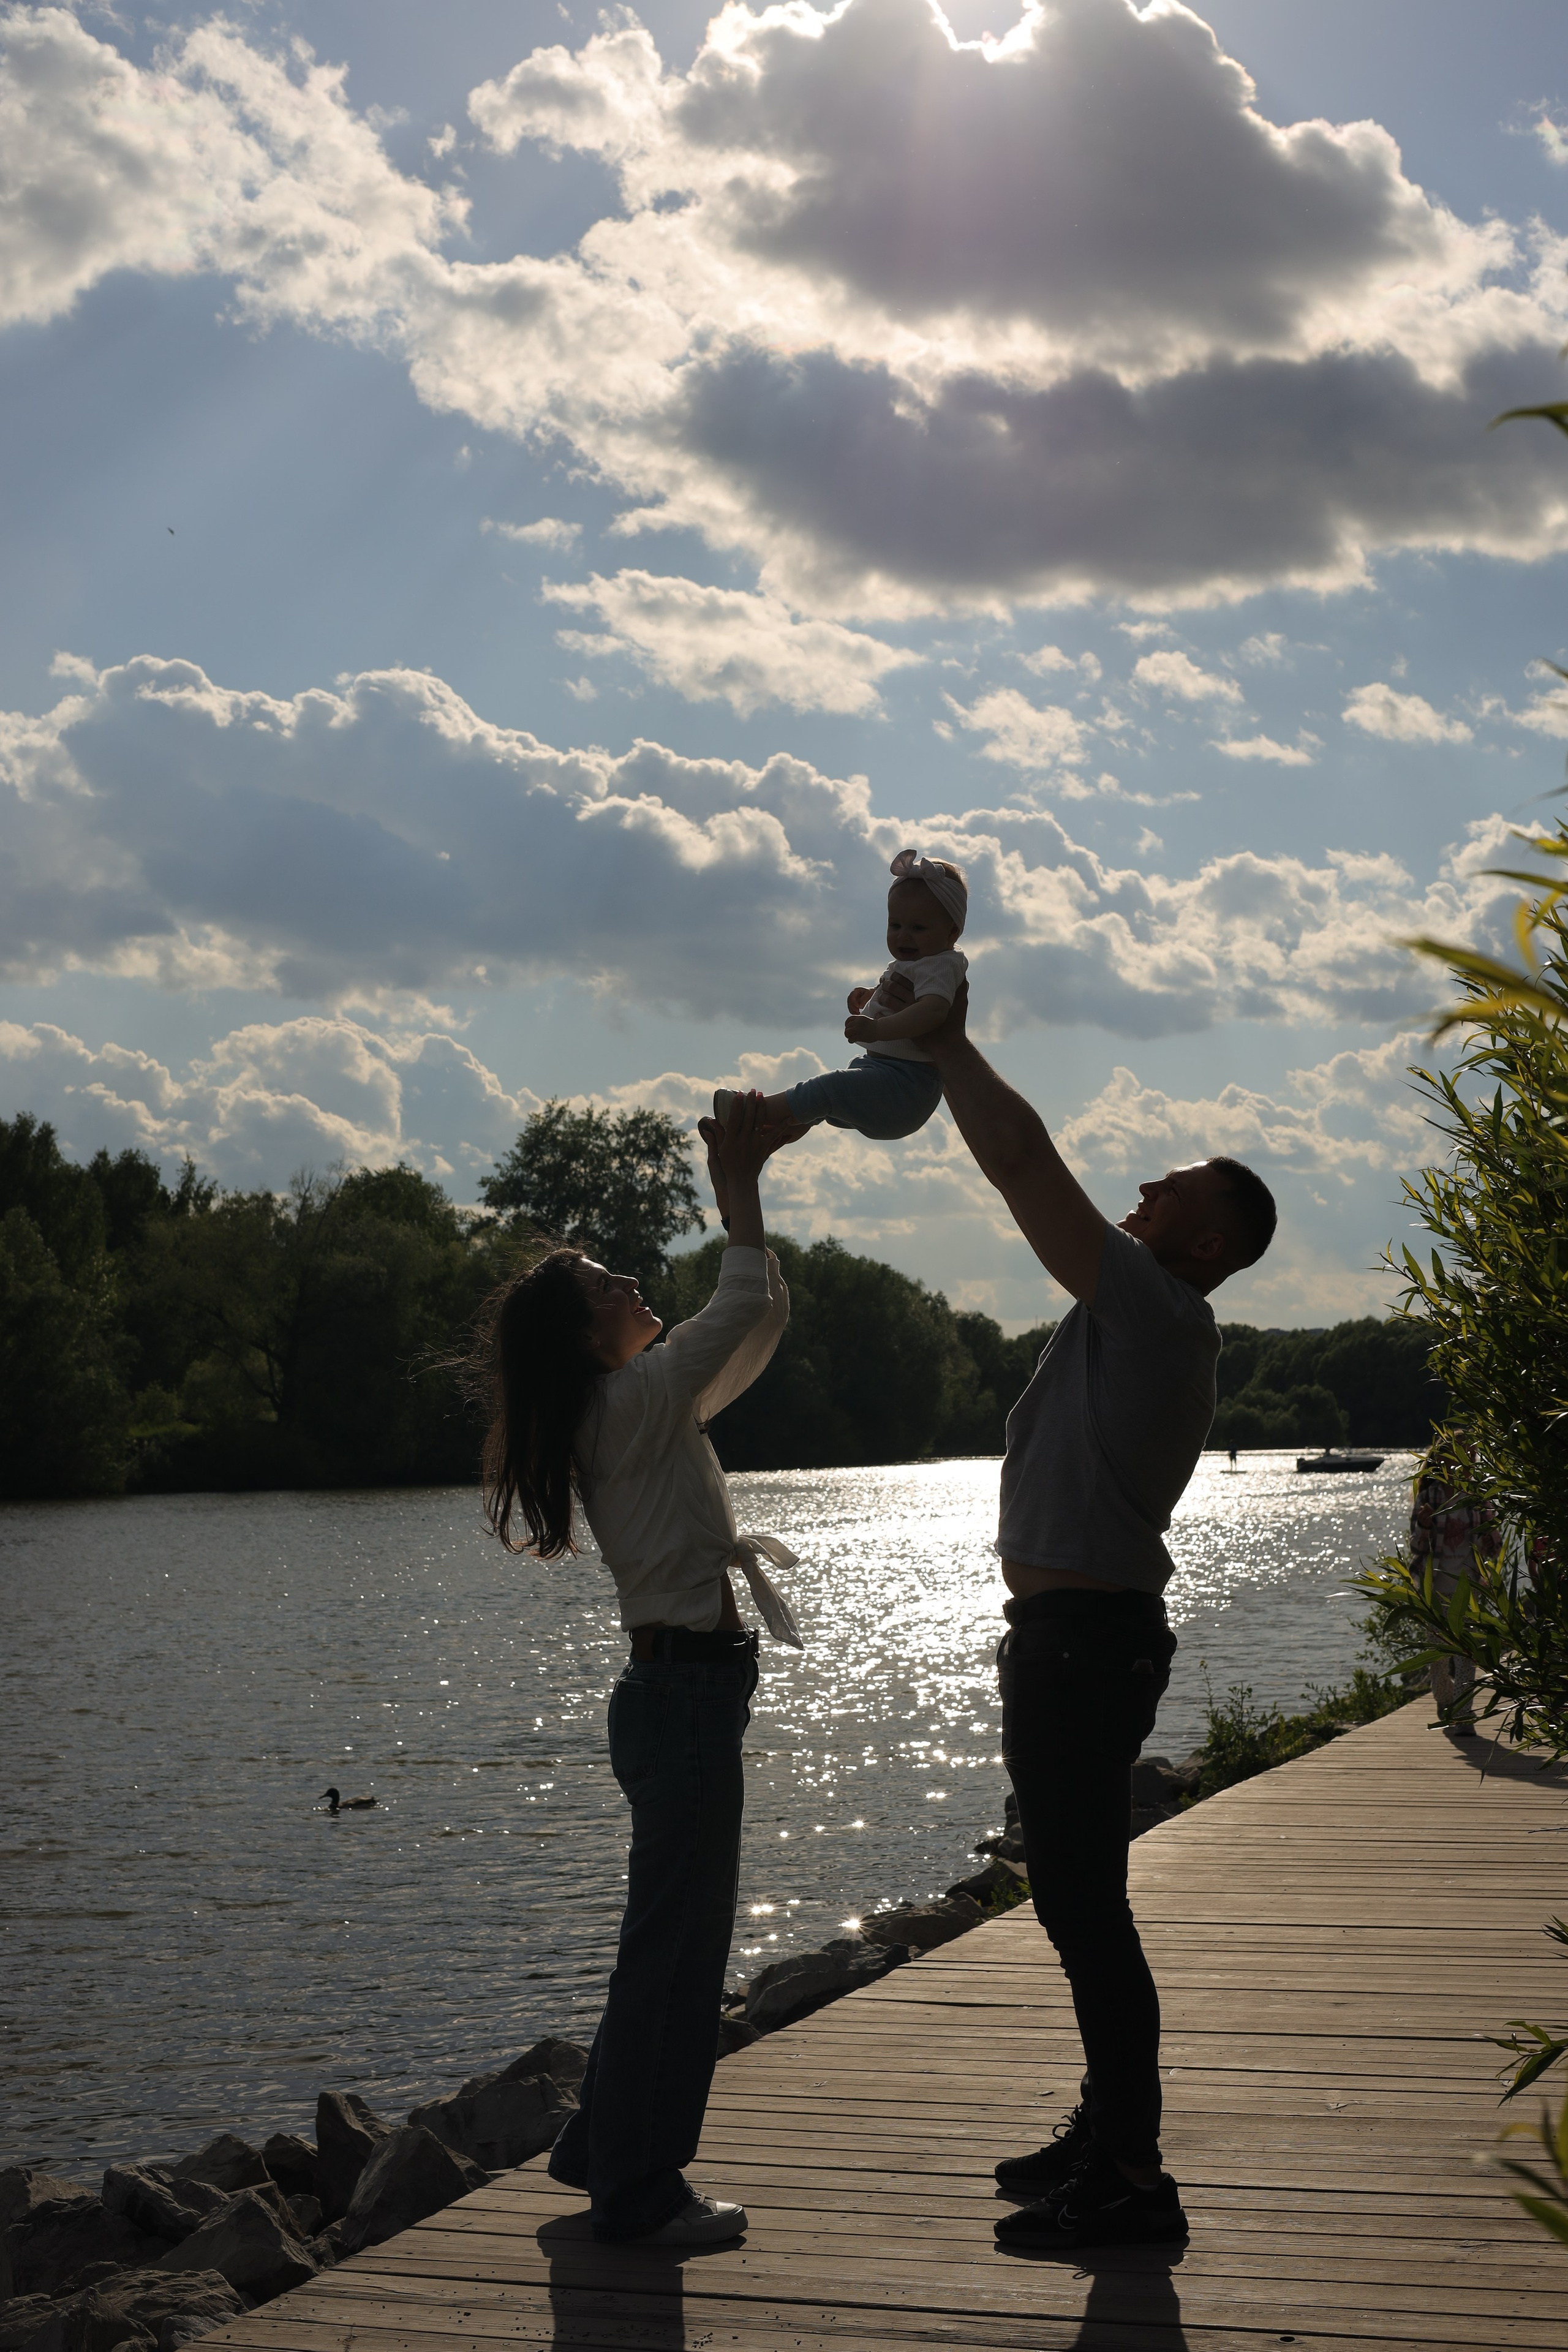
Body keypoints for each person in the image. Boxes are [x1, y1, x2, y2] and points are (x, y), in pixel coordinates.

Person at [911, 978, 1277, 2255]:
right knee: (1079, 1904)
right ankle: (1104, 2131)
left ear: (1202, 1246)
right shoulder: (1136, 1315)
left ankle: (1129, 2174)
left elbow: (1020, 1164)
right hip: (1069, 1645)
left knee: (1083, 1910)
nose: (1135, 1198)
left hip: (1083, 1650)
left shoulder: (1157, 1311)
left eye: (1161, 1195)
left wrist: (945, 1040)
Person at [475, 1093, 804, 2247]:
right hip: (682, 1699)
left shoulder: (640, 1406)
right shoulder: (636, 1403)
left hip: (678, 1695)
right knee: (677, 1950)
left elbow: (755, 1323)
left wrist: (745, 1212)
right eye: (611, 1284)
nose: (631, 1286)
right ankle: (641, 2194)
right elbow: (739, 1303)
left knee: (662, 1939)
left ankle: (595, 2149)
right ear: (588, 1337)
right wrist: (741, 1186)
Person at [715, 850, 968, 1142]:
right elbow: (909, 993)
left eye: (918, 928)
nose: (903, 936)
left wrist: (876, 1028)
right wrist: (873, 996)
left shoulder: (942, 963)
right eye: (895, 925)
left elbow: (932, 1011)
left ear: (952, 933)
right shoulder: (921, 962)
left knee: (829, 1088)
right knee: (831, 1093)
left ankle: (756, 1111)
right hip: (888, 1077)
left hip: (906, 1088)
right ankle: (787, 1122)